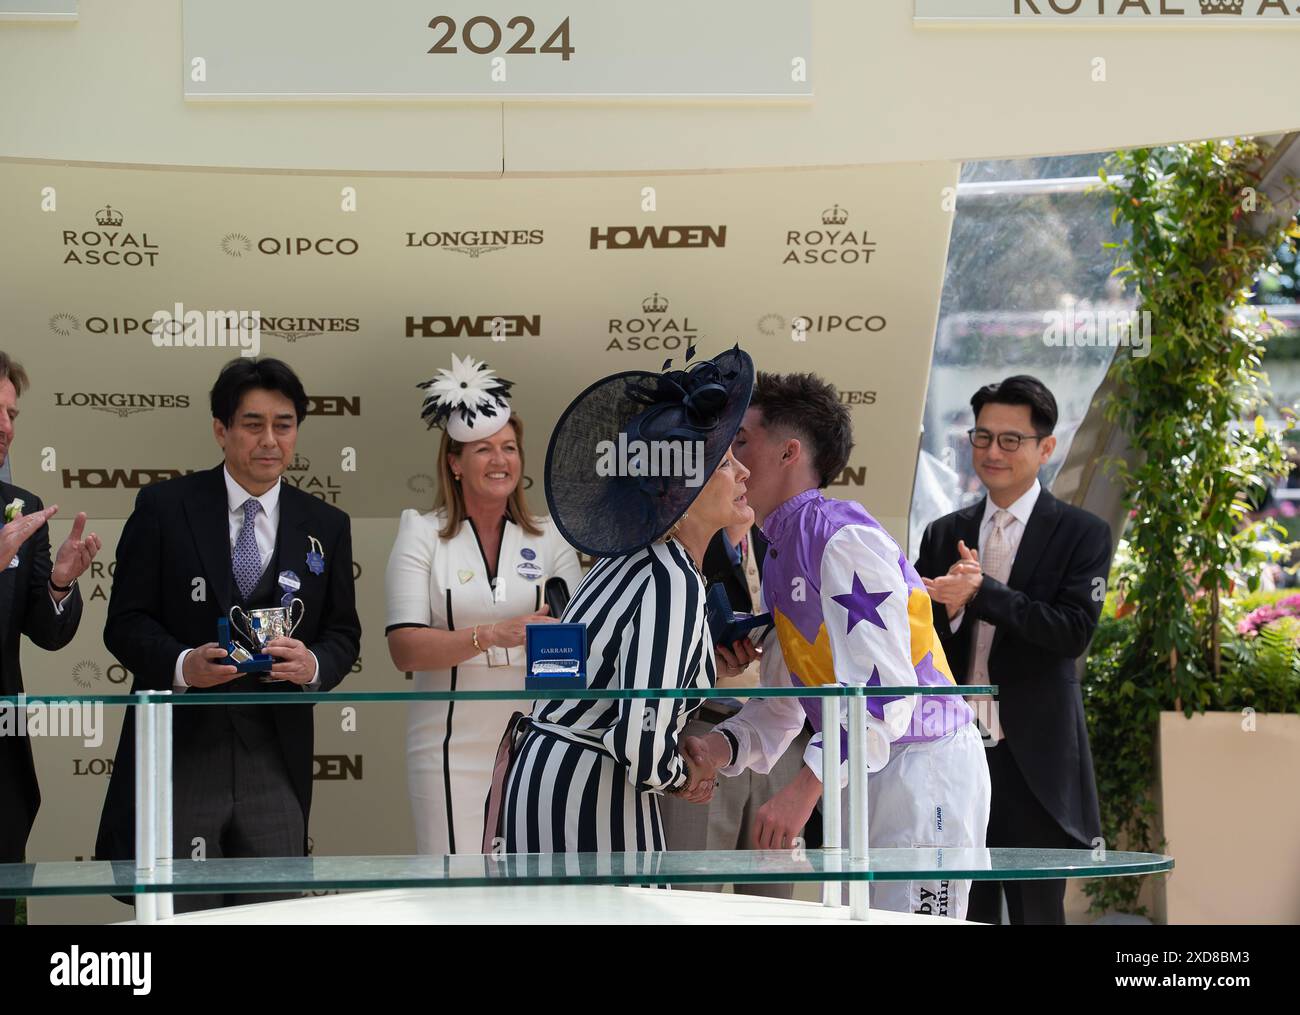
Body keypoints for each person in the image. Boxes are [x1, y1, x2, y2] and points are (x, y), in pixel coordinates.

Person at [687, 370, 990, 919]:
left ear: (789, 452)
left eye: (741, 443)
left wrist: (804, 790)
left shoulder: (839, 535)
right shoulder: (780, 547)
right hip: (865, 772)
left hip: (924, 765)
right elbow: (785, 705)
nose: (728, 463)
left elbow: (886, 695)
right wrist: (717, 748)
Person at [95, 357, 361, 913]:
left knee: (276, 910)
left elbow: (343, 634)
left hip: (276, 758)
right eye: (252, 424)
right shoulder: (164, 508)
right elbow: (124, 622)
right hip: (180, 753)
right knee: (181, 912)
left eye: (283, 425)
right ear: (221, 430)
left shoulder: (326, 524)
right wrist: (181, 663)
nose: (270, 440)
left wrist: (311, 664)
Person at [501, 346, 754, 852]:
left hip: (546, 783)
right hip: (592, 799)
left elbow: (575, 676)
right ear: (680, 491)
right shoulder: (672, 579)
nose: (744, 472)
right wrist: (687, 778)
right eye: (725, 463)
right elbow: (637, 743)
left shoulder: (621, 561)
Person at [916, 375, 1110, 925]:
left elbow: (1072, 632)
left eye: (1010, 440)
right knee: (962, 903)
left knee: (1035, 908)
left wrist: (983, 593)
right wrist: (951, 607)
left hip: (1035, 751)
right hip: (954, 747)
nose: (992, 451)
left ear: (1046, 447)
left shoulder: (1081, 533)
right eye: (982, 437)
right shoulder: (941, 532)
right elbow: (922, 640)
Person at [385, 354, 581, 855]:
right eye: (483, 449)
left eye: (509, 448)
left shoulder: (552, 537)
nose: (500, 460)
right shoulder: (421, 532)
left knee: (533, 895)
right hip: (448, 749)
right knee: (458, 895)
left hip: (537, 745)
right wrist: (493, 635)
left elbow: (571, 648)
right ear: (454, 462)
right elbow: (406, 649)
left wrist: (544, 639)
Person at [659, 520, 812, 897]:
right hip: (702, 730)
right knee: (690, 897)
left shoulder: (792, 540)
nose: (742, 473)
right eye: (729, 463)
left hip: (785, 737)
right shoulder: (680, 541)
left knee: (774, 902)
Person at [0, 352, 100, 925]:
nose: (7, 427)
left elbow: (49, 632)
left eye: (13, 413)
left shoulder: (24, 510)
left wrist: (60, 581)